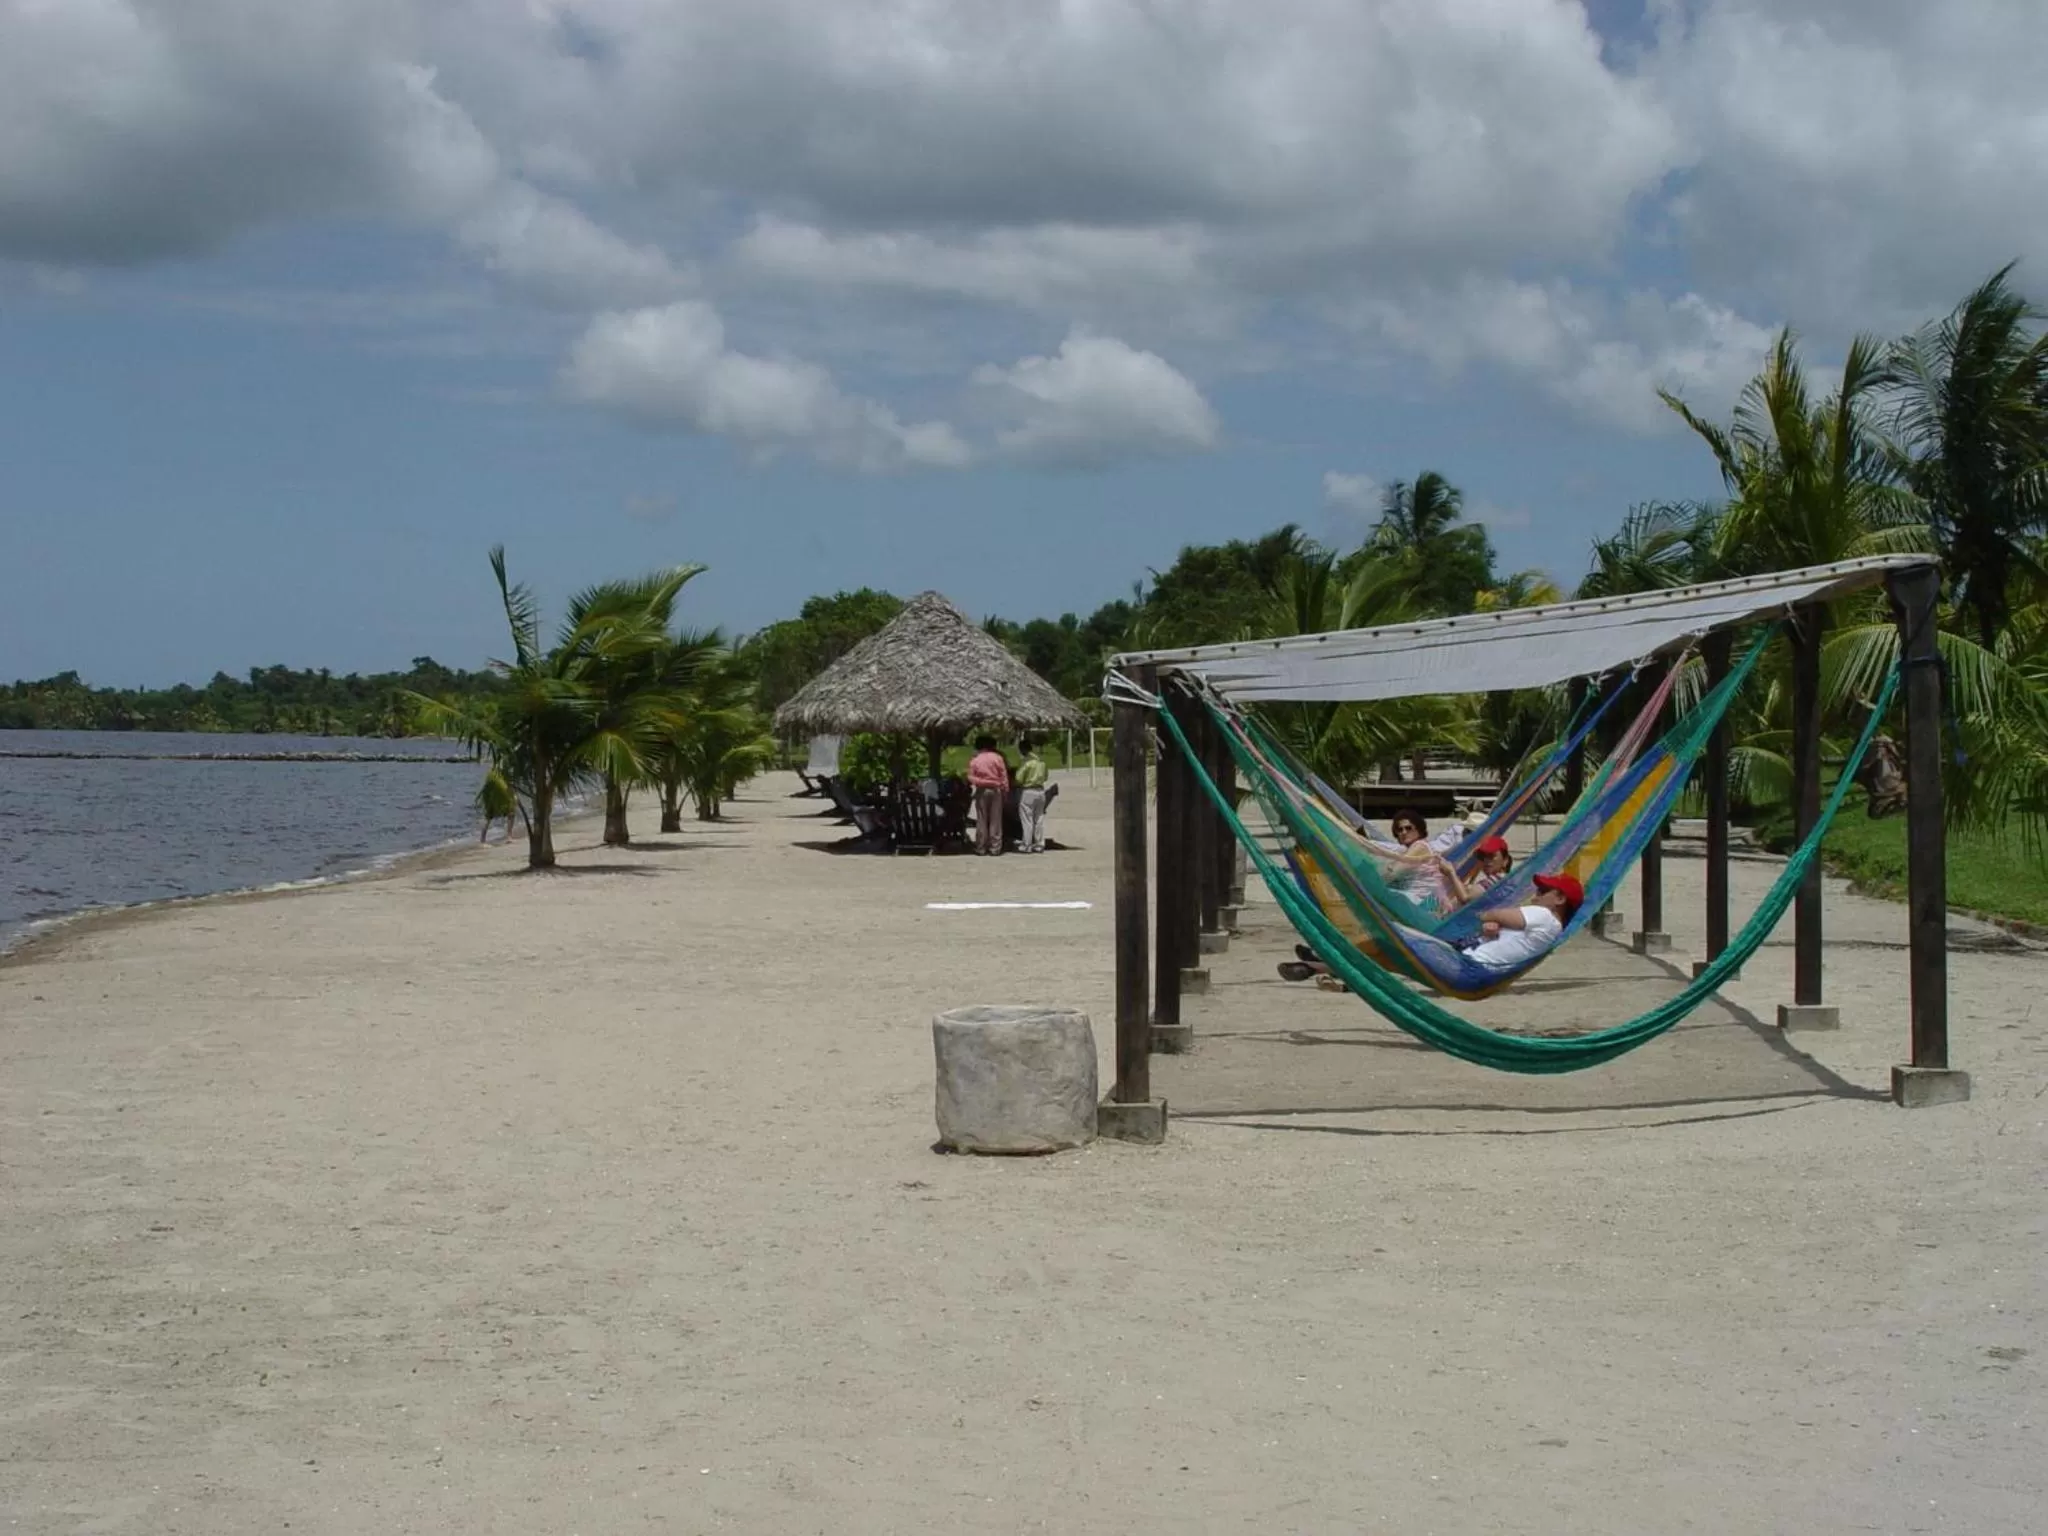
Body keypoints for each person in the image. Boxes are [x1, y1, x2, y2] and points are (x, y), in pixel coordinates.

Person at [1463, 873, 1582, 969]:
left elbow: (1495, 914)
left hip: (1472, 963)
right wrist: (1494, 926)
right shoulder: (1553, 928)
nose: (1535, 897)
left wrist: (1481, 915)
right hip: (1481, 967)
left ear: (1560, 899)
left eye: (1542, 891)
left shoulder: (1544, 915)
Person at [1435, 834, 1514, 907]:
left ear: (1505, 861)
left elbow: (1466, 898)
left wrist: (1451, 873)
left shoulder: (1498, 879)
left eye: (1491, 855)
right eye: (1482, 856)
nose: (1486, 860)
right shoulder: (1505, 881)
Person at [967, 735, 1010, 856]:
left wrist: (981, 781)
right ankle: (995, 847)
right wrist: (1005, 791)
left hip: (981, 790)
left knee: (981, 819)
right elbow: (1003, 776)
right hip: (996, 789)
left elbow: (970, 777)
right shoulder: (998, 758)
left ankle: (981, 846)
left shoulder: (975, 760)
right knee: (996, 819)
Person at [1015, 738, 1050, 853]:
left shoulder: (1026, 762)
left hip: (1028, 791)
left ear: (1022, 749)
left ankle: (1027, 844)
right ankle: (1039, 843)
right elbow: (1046, 777)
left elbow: (1019, 778)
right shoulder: (1041, 762)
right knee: (1039, 818)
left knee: (1027, 818)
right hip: (1040, 790)